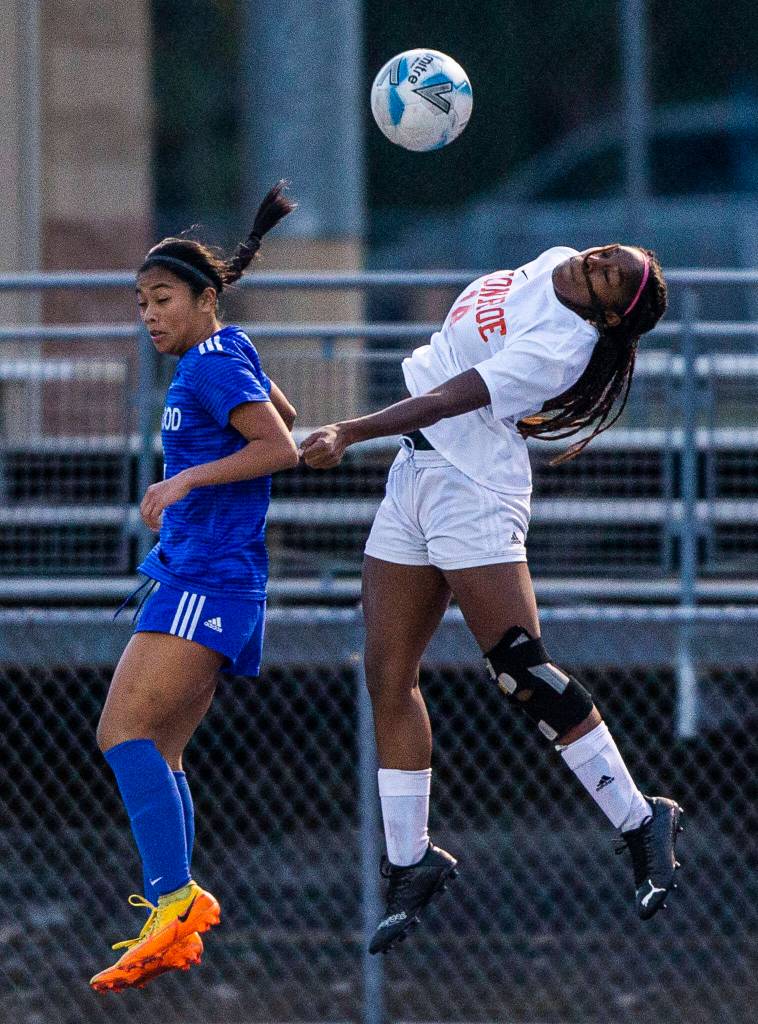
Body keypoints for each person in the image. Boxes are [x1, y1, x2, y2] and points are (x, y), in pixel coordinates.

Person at [301, 244, 684, 954]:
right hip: (414, 472)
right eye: (608, 255)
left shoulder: (563, 347)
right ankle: (411, 861)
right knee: (386, 674)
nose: (596, 260)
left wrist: (349, 431)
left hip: (472, 485)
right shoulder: (557, 259)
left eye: (608, 275)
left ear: (605, 314)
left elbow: (452, 398)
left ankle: (640, 820)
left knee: (520, 670)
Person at [90, 182, 299, 992]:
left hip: (205, 581)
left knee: (121, 734)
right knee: (163, 747)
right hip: (218, 582)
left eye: (164, 299)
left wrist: (185, 485)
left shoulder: (210, 365)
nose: (150, 315)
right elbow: (283, 419)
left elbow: (275, 445)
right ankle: (175, 911)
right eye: (143, 302)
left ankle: (175, 897)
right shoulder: (226, 351)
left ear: (204, 299)